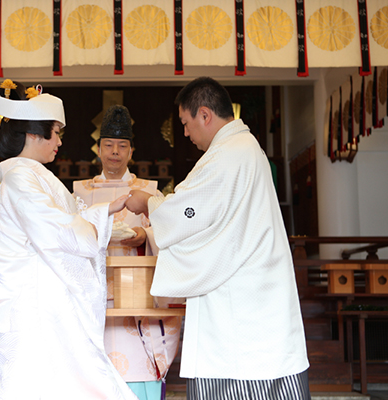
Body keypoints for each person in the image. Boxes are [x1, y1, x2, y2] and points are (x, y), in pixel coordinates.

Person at [126, 77, 311, 399]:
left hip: (241, 302)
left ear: (205, 115)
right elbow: (210, 219)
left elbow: (190, 212)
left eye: (186, 123)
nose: (185, 133)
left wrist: (149, 204)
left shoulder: (229, 154)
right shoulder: (243, 149)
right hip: (257, 293)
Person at [0, 79, 138, 400]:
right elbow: (52, 228)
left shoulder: (29, 176)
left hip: (39, 308)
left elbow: (58, 222)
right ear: (34, 135)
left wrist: (102, 212)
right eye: (56, 133)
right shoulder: (23, 177)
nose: (60, 142)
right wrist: (95, 224)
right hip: (38, 311)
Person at [73, 105, 182, 400]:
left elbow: (171, 232)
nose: (115, 152)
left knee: (139, 367)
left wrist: (144, 235)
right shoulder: (79, 193)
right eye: (108, 145)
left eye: (122, 146)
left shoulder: (149, 192)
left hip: (138, 300)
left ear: (131, 151)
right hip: (94, 296)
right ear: (98, 149)